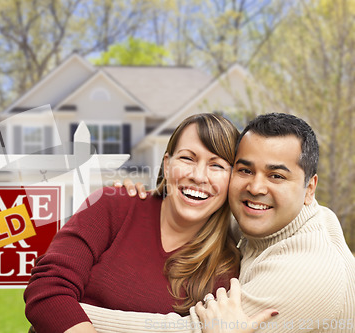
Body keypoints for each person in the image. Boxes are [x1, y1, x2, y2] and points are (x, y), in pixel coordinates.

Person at [82, 113, 355, 332]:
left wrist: (68, 312)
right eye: (245, 170)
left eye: (277, 176)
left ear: (310, 188)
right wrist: (141, 197)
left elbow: (190, 330)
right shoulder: (262, 220)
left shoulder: (307, 273)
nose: (256, 187)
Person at [24, 113, 242, 333]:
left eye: (217, 166)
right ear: (167, 165)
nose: (198, 176)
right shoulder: (113, 206)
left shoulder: (225, 268)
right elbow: (48, 288)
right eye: (187, 158)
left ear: (233, 180)